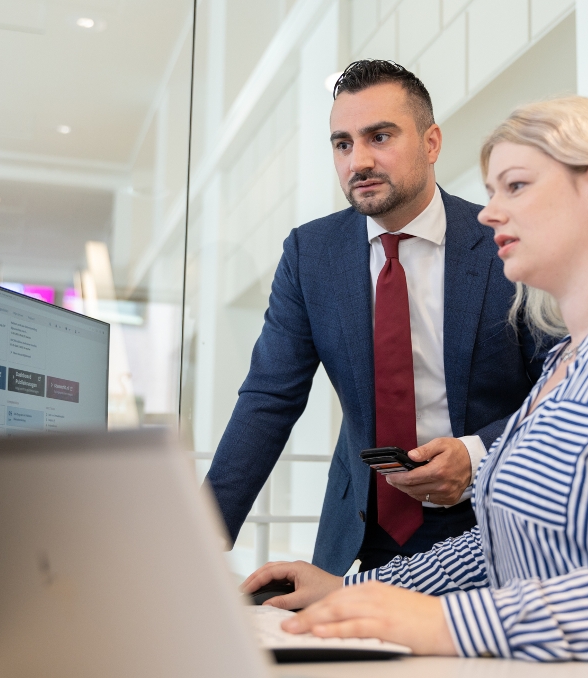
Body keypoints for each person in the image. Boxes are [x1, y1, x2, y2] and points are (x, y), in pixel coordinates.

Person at [240, 96, 588, 670]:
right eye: (490, 192)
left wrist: (443, 622)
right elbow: (498, 549)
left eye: (514, 187)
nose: (488, 214)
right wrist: (357, 590)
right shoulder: (565, 364)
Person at [204, 60, 547, 575]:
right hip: (359, 532)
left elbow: (564, 389)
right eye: (342, 144)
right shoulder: (310, 254)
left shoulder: (504, 243)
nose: (358, 161)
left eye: (379, 137)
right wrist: (199, 538)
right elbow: (268, 398)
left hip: (489, 526)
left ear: (431, 144)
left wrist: (478, 455)